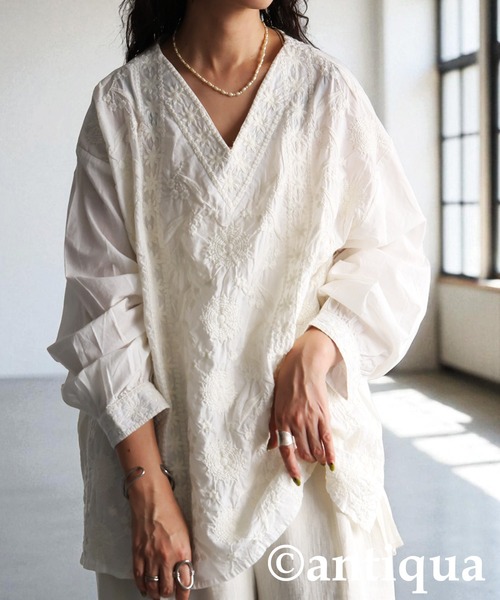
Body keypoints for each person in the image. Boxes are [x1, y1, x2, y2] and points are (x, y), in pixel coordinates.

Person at [47, 1, 430, 598]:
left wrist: (318, 347)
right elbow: (102, 311)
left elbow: (391, 252)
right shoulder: (124, 106)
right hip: (173, 471)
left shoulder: (325, 93)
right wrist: (147, 486)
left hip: (307, 458)